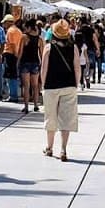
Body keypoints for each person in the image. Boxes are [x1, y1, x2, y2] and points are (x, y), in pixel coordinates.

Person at [41, 18, 82, 161]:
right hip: (69, 85)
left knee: (50, 117)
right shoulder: (74, 48)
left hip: (51, 86)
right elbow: (77, 67)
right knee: (67, 118)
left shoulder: (48, 47)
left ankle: (49, 147)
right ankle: (63, 149)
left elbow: (44, 69)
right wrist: (76, 84)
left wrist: (43, 85)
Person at [18, 18, 43, 113]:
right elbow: (41, 53)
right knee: (35, 86)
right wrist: (42, 63)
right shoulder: (39, 39)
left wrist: (18, 62)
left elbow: (20, 52)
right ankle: (36, 105)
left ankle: (26, 106)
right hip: (35, 62)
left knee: (26, 86)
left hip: (25, 62)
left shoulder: (24, 37)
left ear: (29, 28)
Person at [2, 16, 23, 104]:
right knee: (13, 75)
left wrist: (15, 55)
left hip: (10, 54)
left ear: (8, 22)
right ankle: (13, 95)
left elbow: (13, 44)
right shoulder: (18, 31)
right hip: (15, 54)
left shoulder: (10, 31)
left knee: (10, 76)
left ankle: (13, 96)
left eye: (4, 23)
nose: (4, 24)